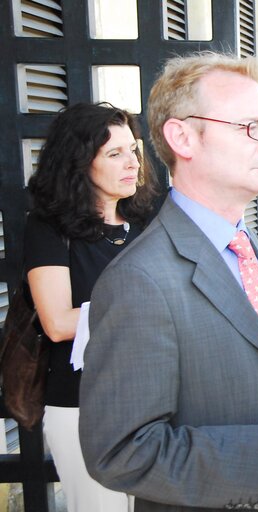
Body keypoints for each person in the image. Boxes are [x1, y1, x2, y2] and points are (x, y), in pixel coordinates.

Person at [78, 52, 258, 512]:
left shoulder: (245, 245)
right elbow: (118, 452)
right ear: (182, 137)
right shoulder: (139, 280)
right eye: (250, 128)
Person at [24, 101, 158, 512]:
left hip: (156, 402)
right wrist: (144, 308)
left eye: (132, 150)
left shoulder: (150, 222)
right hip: (85, 406)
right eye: (114, 154)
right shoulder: (49, 229)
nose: (132, 163)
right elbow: (58, 322)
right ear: (80, 163)